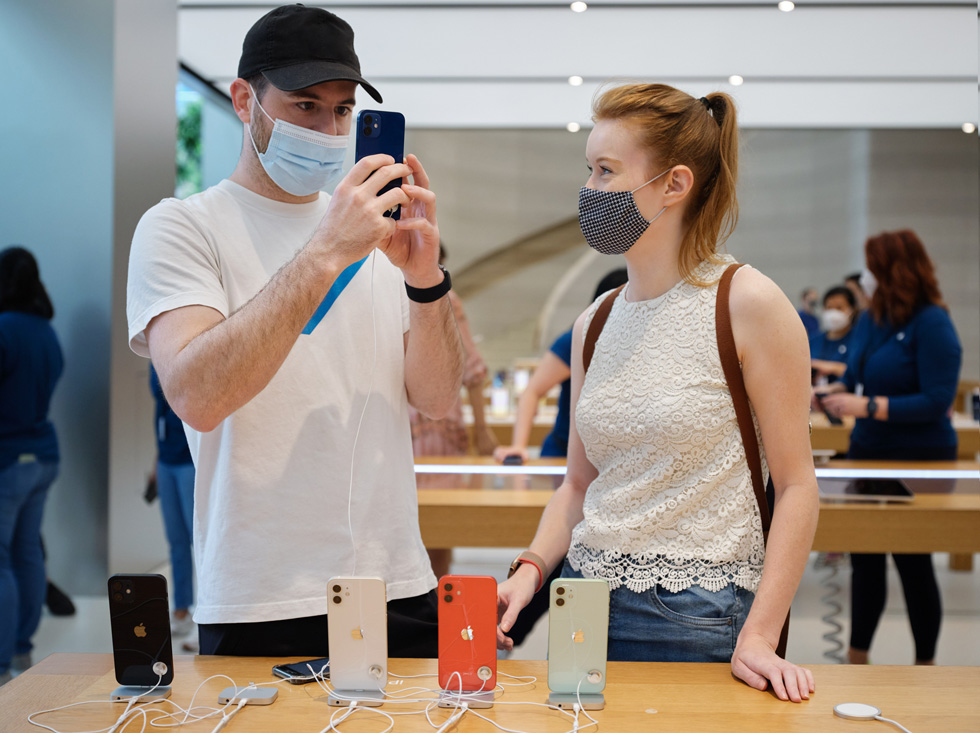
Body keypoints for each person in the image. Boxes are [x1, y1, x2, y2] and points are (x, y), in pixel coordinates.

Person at [126, 4, 462, 658]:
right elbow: (197, 395)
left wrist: (426, 280)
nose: (328, 129)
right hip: (261, 595)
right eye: (306, 106)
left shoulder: (376, 234)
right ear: (243, 100)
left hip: (398, 581)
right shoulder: (181, 228)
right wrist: (326, 251)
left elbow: (438, 398)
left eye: (342, 111)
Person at [495, 84, 818, 703]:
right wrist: (530, 569)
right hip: (581, 599)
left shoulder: (747, 303)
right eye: (589, 170)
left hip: (695, 612)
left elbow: (798, 485)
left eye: (605, 171)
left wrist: (760, 634)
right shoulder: (595, 321)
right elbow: (579, 485)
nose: (589, 189)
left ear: (674, 184)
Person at [818, 230, 961, 666]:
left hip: (919, 458)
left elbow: (937, 399)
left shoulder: (932, 322)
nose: (865, 277)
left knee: (913, 562)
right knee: (865, 559)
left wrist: (868, 406)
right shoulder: (872, 319)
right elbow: (857, 377)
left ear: (893, 270)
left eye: (872, 267)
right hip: (869, 451)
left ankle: (925, 665)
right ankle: (857, 658)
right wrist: (830, 393)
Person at [410, 244, 495, 579]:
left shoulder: (446, 299)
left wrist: (483, 431)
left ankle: (436, 602)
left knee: (439, 531)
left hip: (437, 429)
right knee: (415, 528)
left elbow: (472, 369)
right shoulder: (388, 294)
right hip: (410, 429)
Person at [0, 247, 63, 686]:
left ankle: (1, 663)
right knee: (26, 551)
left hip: (9, 459)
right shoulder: (46, 332)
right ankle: (22, 648)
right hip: (44, 456)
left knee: (3, 558)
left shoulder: (5, 329)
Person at [494, 268, 628, 465]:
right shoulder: (575, 340)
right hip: (563, 454)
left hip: (611, 458)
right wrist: (519, 446)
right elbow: (532, 392)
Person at [148, 364, 197, 650]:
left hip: (191, 459)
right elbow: (160, 410)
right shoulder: (152, 354)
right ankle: (181, 610)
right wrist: (156, 461)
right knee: (176, 541)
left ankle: (205, 617)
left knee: (199, 542)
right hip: (166, 459)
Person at [809, 285, 858, 385]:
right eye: (829, 307)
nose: (833, 312)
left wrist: (825, 366)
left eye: (839, 308)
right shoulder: (814, 340)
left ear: (852, 310)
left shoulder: (858, 339)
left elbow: (858, 371)